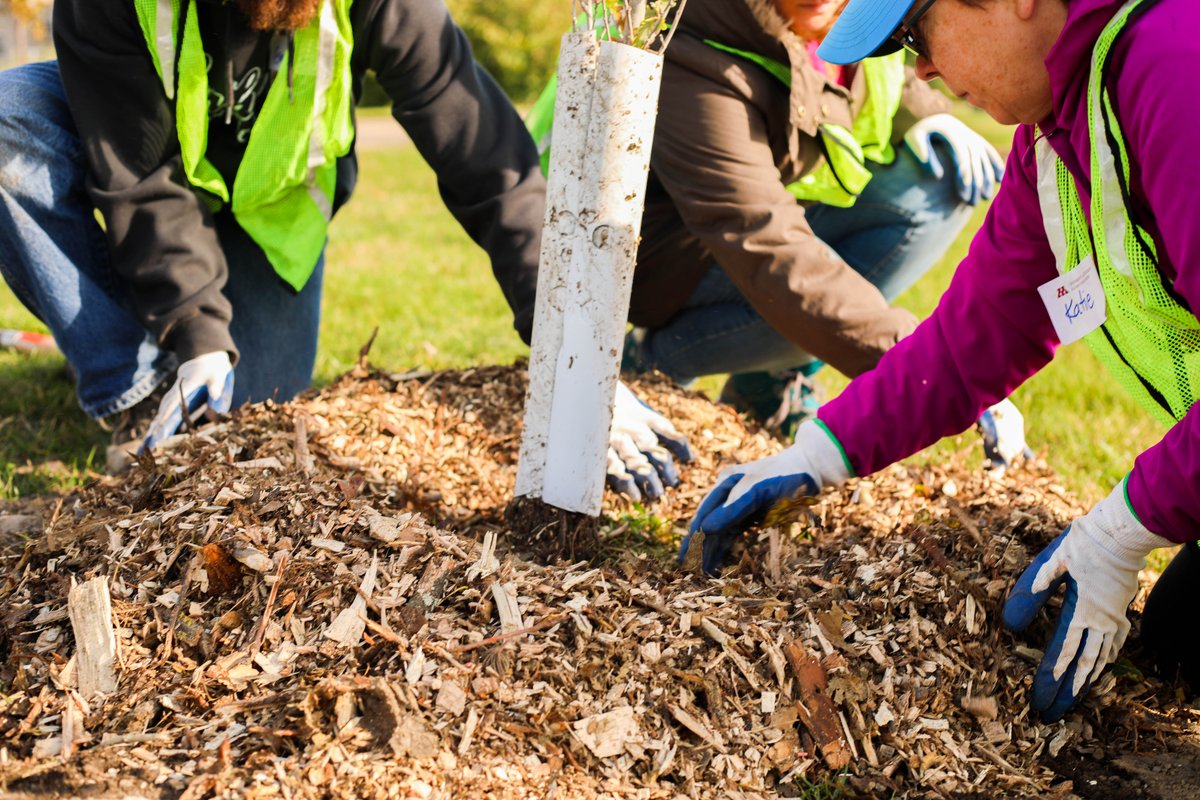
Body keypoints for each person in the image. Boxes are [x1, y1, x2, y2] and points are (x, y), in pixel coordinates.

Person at [684, 0, 1200, 723]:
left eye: (915, 32)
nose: (921, 68)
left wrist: (1126, 525)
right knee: (1178, 646)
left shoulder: (1177, 61)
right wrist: (820, 453)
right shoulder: (1058, 130)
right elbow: (980, 333)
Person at [0, 0, 689, 489]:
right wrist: (197, 333)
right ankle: (133, 387)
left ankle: (158, 342)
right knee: (10, 120)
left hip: (270, 227)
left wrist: (573, 355)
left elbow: (491, 171)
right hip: (154, 187)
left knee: (247, 424)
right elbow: (141, 181)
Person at [528, 0, 1028, 484]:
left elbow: (869, 77)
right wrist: (929, 367)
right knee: (790, 281)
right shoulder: (691, 44)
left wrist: (926, 114)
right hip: (634, 255)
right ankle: (654, 365)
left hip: (742, 222)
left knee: (933, 182)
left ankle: (766, 382)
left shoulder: (840, 16)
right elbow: (759, 237)